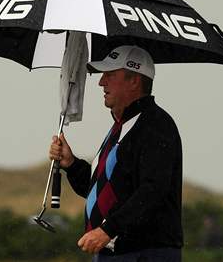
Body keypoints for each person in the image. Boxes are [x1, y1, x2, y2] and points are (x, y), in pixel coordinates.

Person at [49, 45, 183, 261]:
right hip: (118, 251)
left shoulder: (156, 125)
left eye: (110, 75)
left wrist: (107, 230)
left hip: (145, 252)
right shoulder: (122, 126)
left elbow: (152, 191)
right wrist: (71, 164)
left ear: (134, 81)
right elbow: (103, 191)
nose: (102, 82)